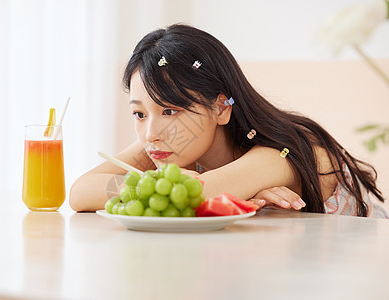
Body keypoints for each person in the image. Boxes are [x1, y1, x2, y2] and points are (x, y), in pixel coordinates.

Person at [70, 24, 388, 218]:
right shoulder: (163, 141)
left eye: (170, 111)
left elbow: (200, 193)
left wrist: (213, 193)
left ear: (222, 107)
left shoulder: (280, 152)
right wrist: (232, 195)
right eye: (139, 113)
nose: (151, 133)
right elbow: (81, 191)